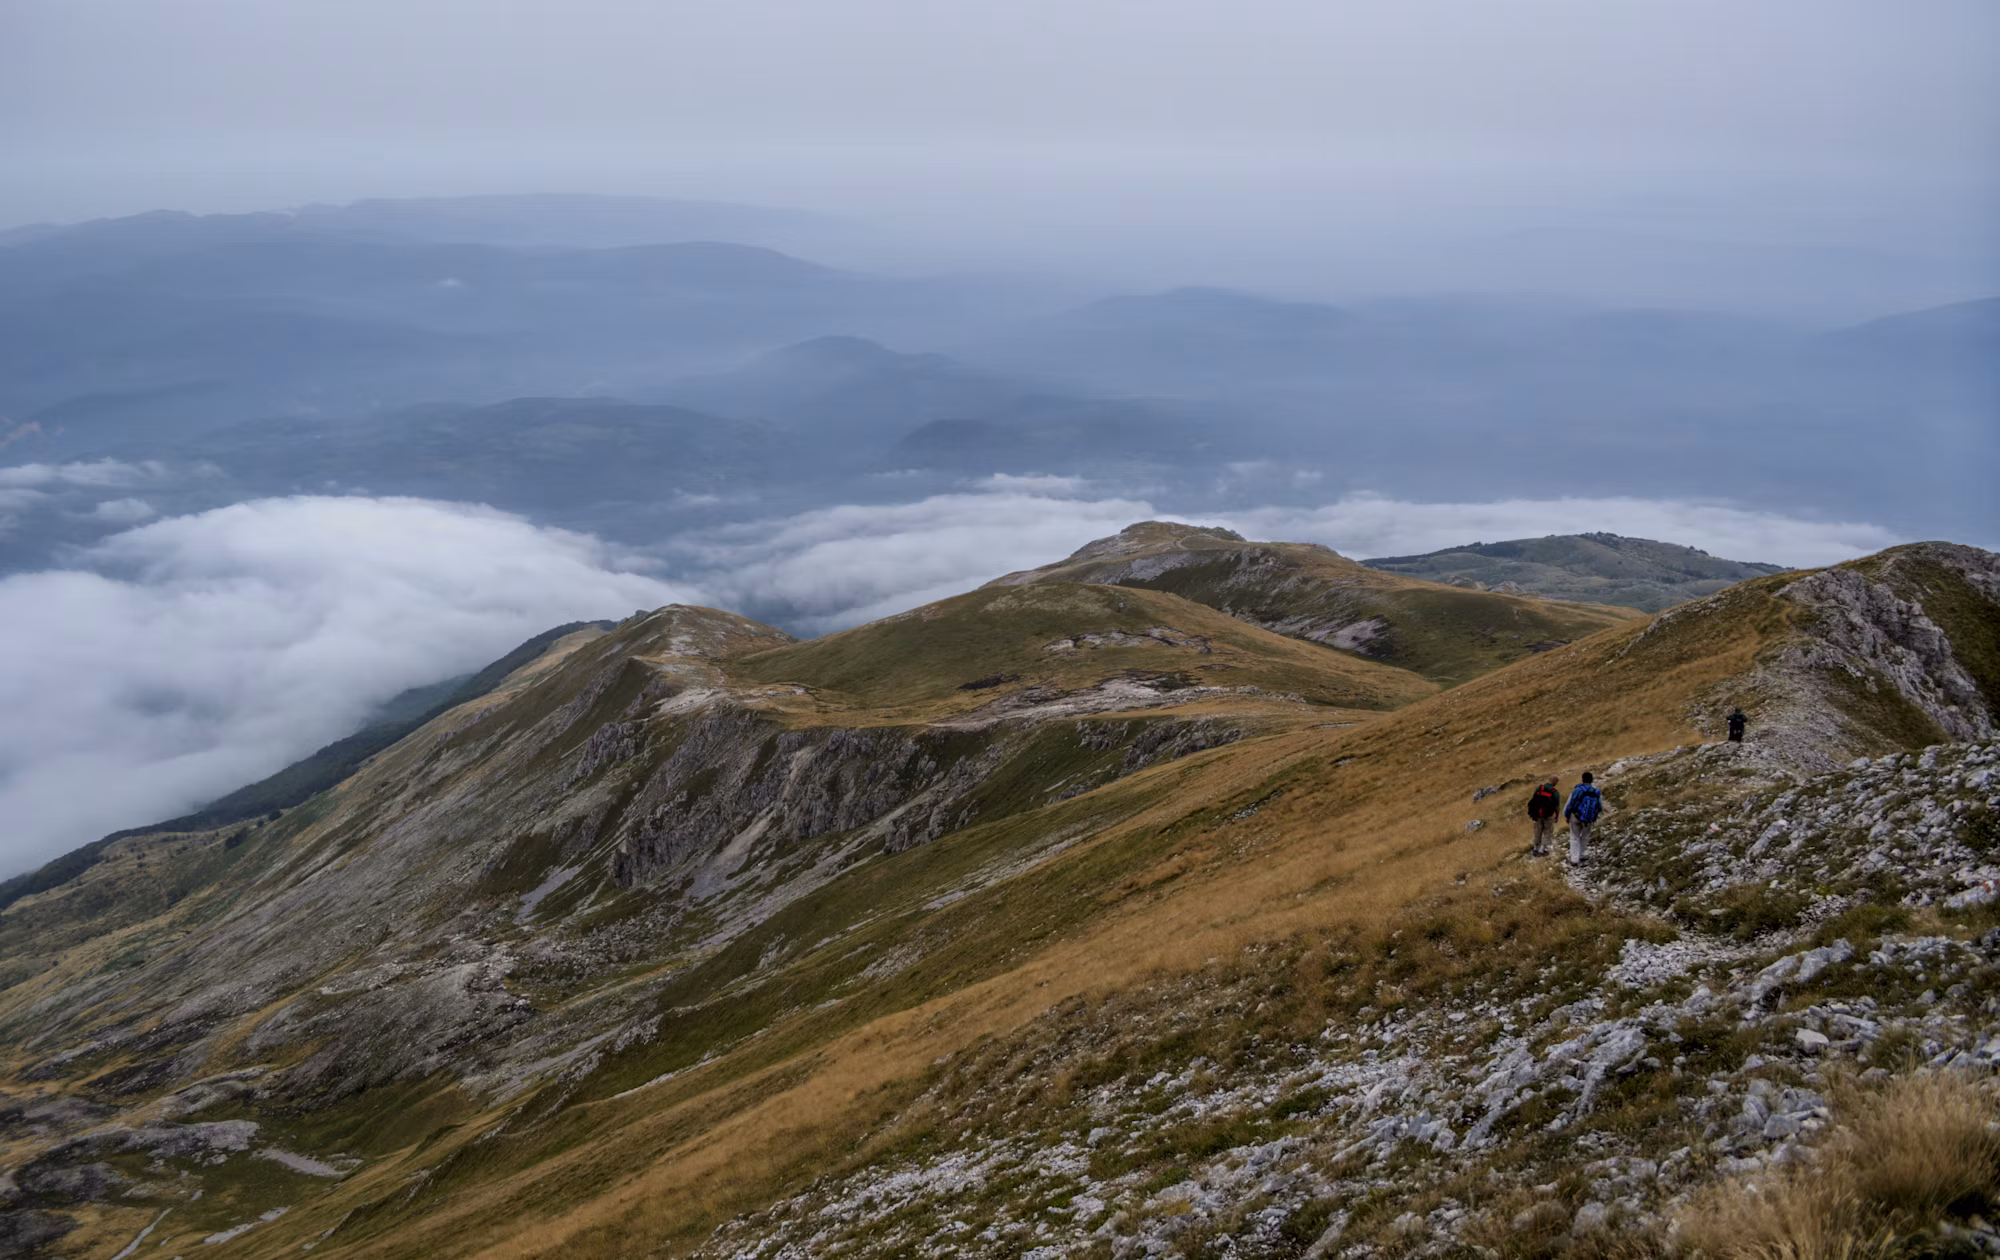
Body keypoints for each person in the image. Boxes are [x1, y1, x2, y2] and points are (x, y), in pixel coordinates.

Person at [1563, 771, 1603, 865]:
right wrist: (1594, 816)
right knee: (1585, 836)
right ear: (1592, 780)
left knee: (1574, 837)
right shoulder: (1596, 792)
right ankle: (1581, 854)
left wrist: (1567, 815)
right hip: (1588, 818)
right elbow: (1600, 807)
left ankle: (1574, 859)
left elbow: (1571, 804)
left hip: (1575, 816)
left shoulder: (1577, 790)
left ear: (1582, 779)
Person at [1526, 777, 1560, 856]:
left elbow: (1533, 800)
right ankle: (1542, 850)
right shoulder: (1554, 792)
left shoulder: (1539, 788)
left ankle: (1535, 848)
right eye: (1556, 782)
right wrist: (1557, 816)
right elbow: (1557, 806)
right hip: (1548, 815)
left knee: (1538, 830)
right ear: (1554, 782)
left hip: (1537, 814)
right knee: (1547, 831)